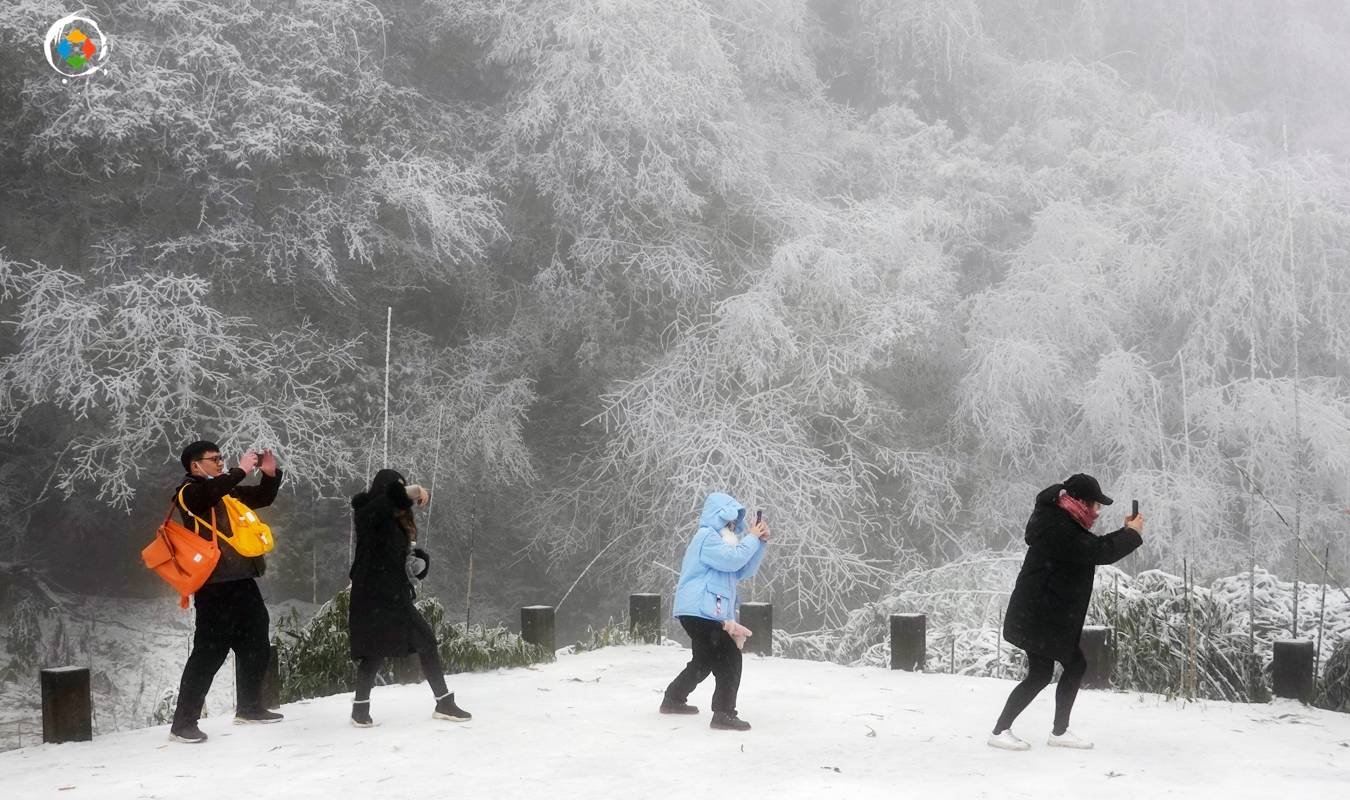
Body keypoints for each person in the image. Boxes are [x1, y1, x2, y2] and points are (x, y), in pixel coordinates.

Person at [989, 473, 1144, 751]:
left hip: (1041, 616)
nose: (1097, 512)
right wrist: (1131, 534)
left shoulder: (1060, 521)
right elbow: (1096, 551)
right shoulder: (1057, 528)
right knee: (1068, 666)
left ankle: (1038, 731)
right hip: (1038, 617)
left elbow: (1089, 548)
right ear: (1082, 502)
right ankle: (1014, 731)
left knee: (1046, 672)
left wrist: (1125, 533)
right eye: (1096, 505)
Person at [169, 441, 284, 743]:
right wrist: (241, 469)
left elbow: (261, 497)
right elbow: (209, 494)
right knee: (209, 653)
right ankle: (183, 723)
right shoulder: (190, 493)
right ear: (196, 466)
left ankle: (249, 707)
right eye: (215, 459)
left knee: (257, 641)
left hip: (242, 580)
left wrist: (269, 475)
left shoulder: (226, 491)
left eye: (222, 459)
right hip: (213, 586)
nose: (221, 463)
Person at [347, 468, 470, 727]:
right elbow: (384, 503)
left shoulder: (396, 519)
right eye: (397, 487)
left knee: (376, 651)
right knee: (418, 642)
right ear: (385, 489)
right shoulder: (367, 512)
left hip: (390, 594)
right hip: (374, 595)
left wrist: (416, 561)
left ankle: (360, 710)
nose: (404, 494)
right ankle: (444, 702)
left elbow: (392, 556)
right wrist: (414, 490)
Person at [662, 492, 771, 731]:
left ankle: (673, 699)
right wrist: (751, 539)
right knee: (730, 656)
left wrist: (759, 542)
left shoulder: (721, 545)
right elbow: (734, 559)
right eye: (729, 522)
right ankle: (723, 713)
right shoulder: (706, 537)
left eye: (734, 524)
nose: (732, 527)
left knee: (705, 660)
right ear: (719, 518)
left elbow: (741, 569)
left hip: (703, 610)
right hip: (700, 610)